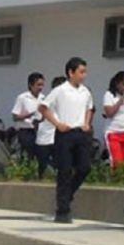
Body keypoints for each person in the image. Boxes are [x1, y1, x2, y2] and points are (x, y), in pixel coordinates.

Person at [38, 58, 95, 224]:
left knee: (84, 167)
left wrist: (86, 123)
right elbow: (43, 107)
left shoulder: (85, 91)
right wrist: (57, 123)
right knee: (64, 171)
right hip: (65, 133)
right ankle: (62, 210)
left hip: (81, 133)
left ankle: (67, 194)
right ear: (71, 72)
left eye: (85, 72)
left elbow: (90, 108)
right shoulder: (60, 90)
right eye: (81, 72)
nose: (84, 75)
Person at [33, 76, 65, 178]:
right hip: (45, 139)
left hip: (59, 139)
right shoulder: (46, 102)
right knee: (43, 165)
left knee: (60, 165)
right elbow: (37, 119)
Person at [11, 72, 45, 162]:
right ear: (31, 85)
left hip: (39, 130)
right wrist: (29, 114)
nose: (40, 88)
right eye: (38, 85)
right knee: (28, 155)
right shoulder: (23, 98)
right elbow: (15, 117)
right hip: (26, 131)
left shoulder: (43, 98)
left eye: (42, 85)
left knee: (40, 154)